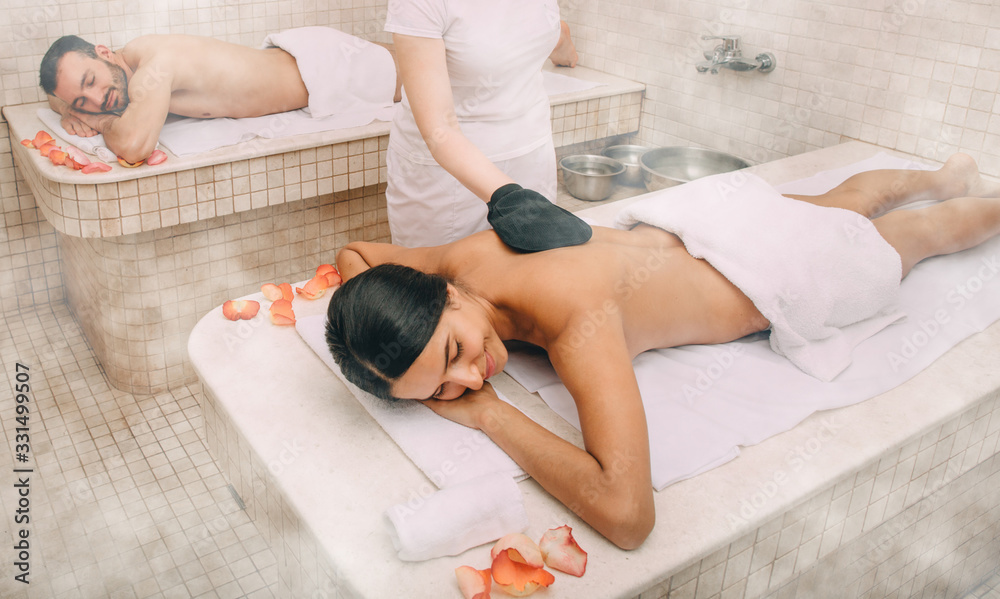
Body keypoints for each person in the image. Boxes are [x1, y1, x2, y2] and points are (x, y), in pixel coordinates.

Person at [324, 154, 1000, 549]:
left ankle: (958, 198)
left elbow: (627, 516)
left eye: (455, 352)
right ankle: (939, 172)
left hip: (781, 272)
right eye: (440, 389)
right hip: (709, 221)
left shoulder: (571, 316)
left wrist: (491, 416)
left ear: (447, 295)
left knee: (918, 236)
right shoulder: (452, 262)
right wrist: (400, 348)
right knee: (838, 200)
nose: (471, 378)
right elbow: (353, 255)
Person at [384, 1, 592, 252]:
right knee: (445, 284)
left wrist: (563, 48)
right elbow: (440, 128)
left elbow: (543, 29)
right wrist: (512, 199)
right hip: (450, 176)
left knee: (528, 281)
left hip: (531, 160)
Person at [38, 32, 402, 163]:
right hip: (307, 60)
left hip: (333, 70)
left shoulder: (152, 67)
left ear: (103, 51)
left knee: (446, 76)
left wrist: (95, 120)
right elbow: (63, 96)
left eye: (91, 81)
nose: (97, 99)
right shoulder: (124, 65)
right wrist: (68, 105)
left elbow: (134, 146)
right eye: (81, 100)